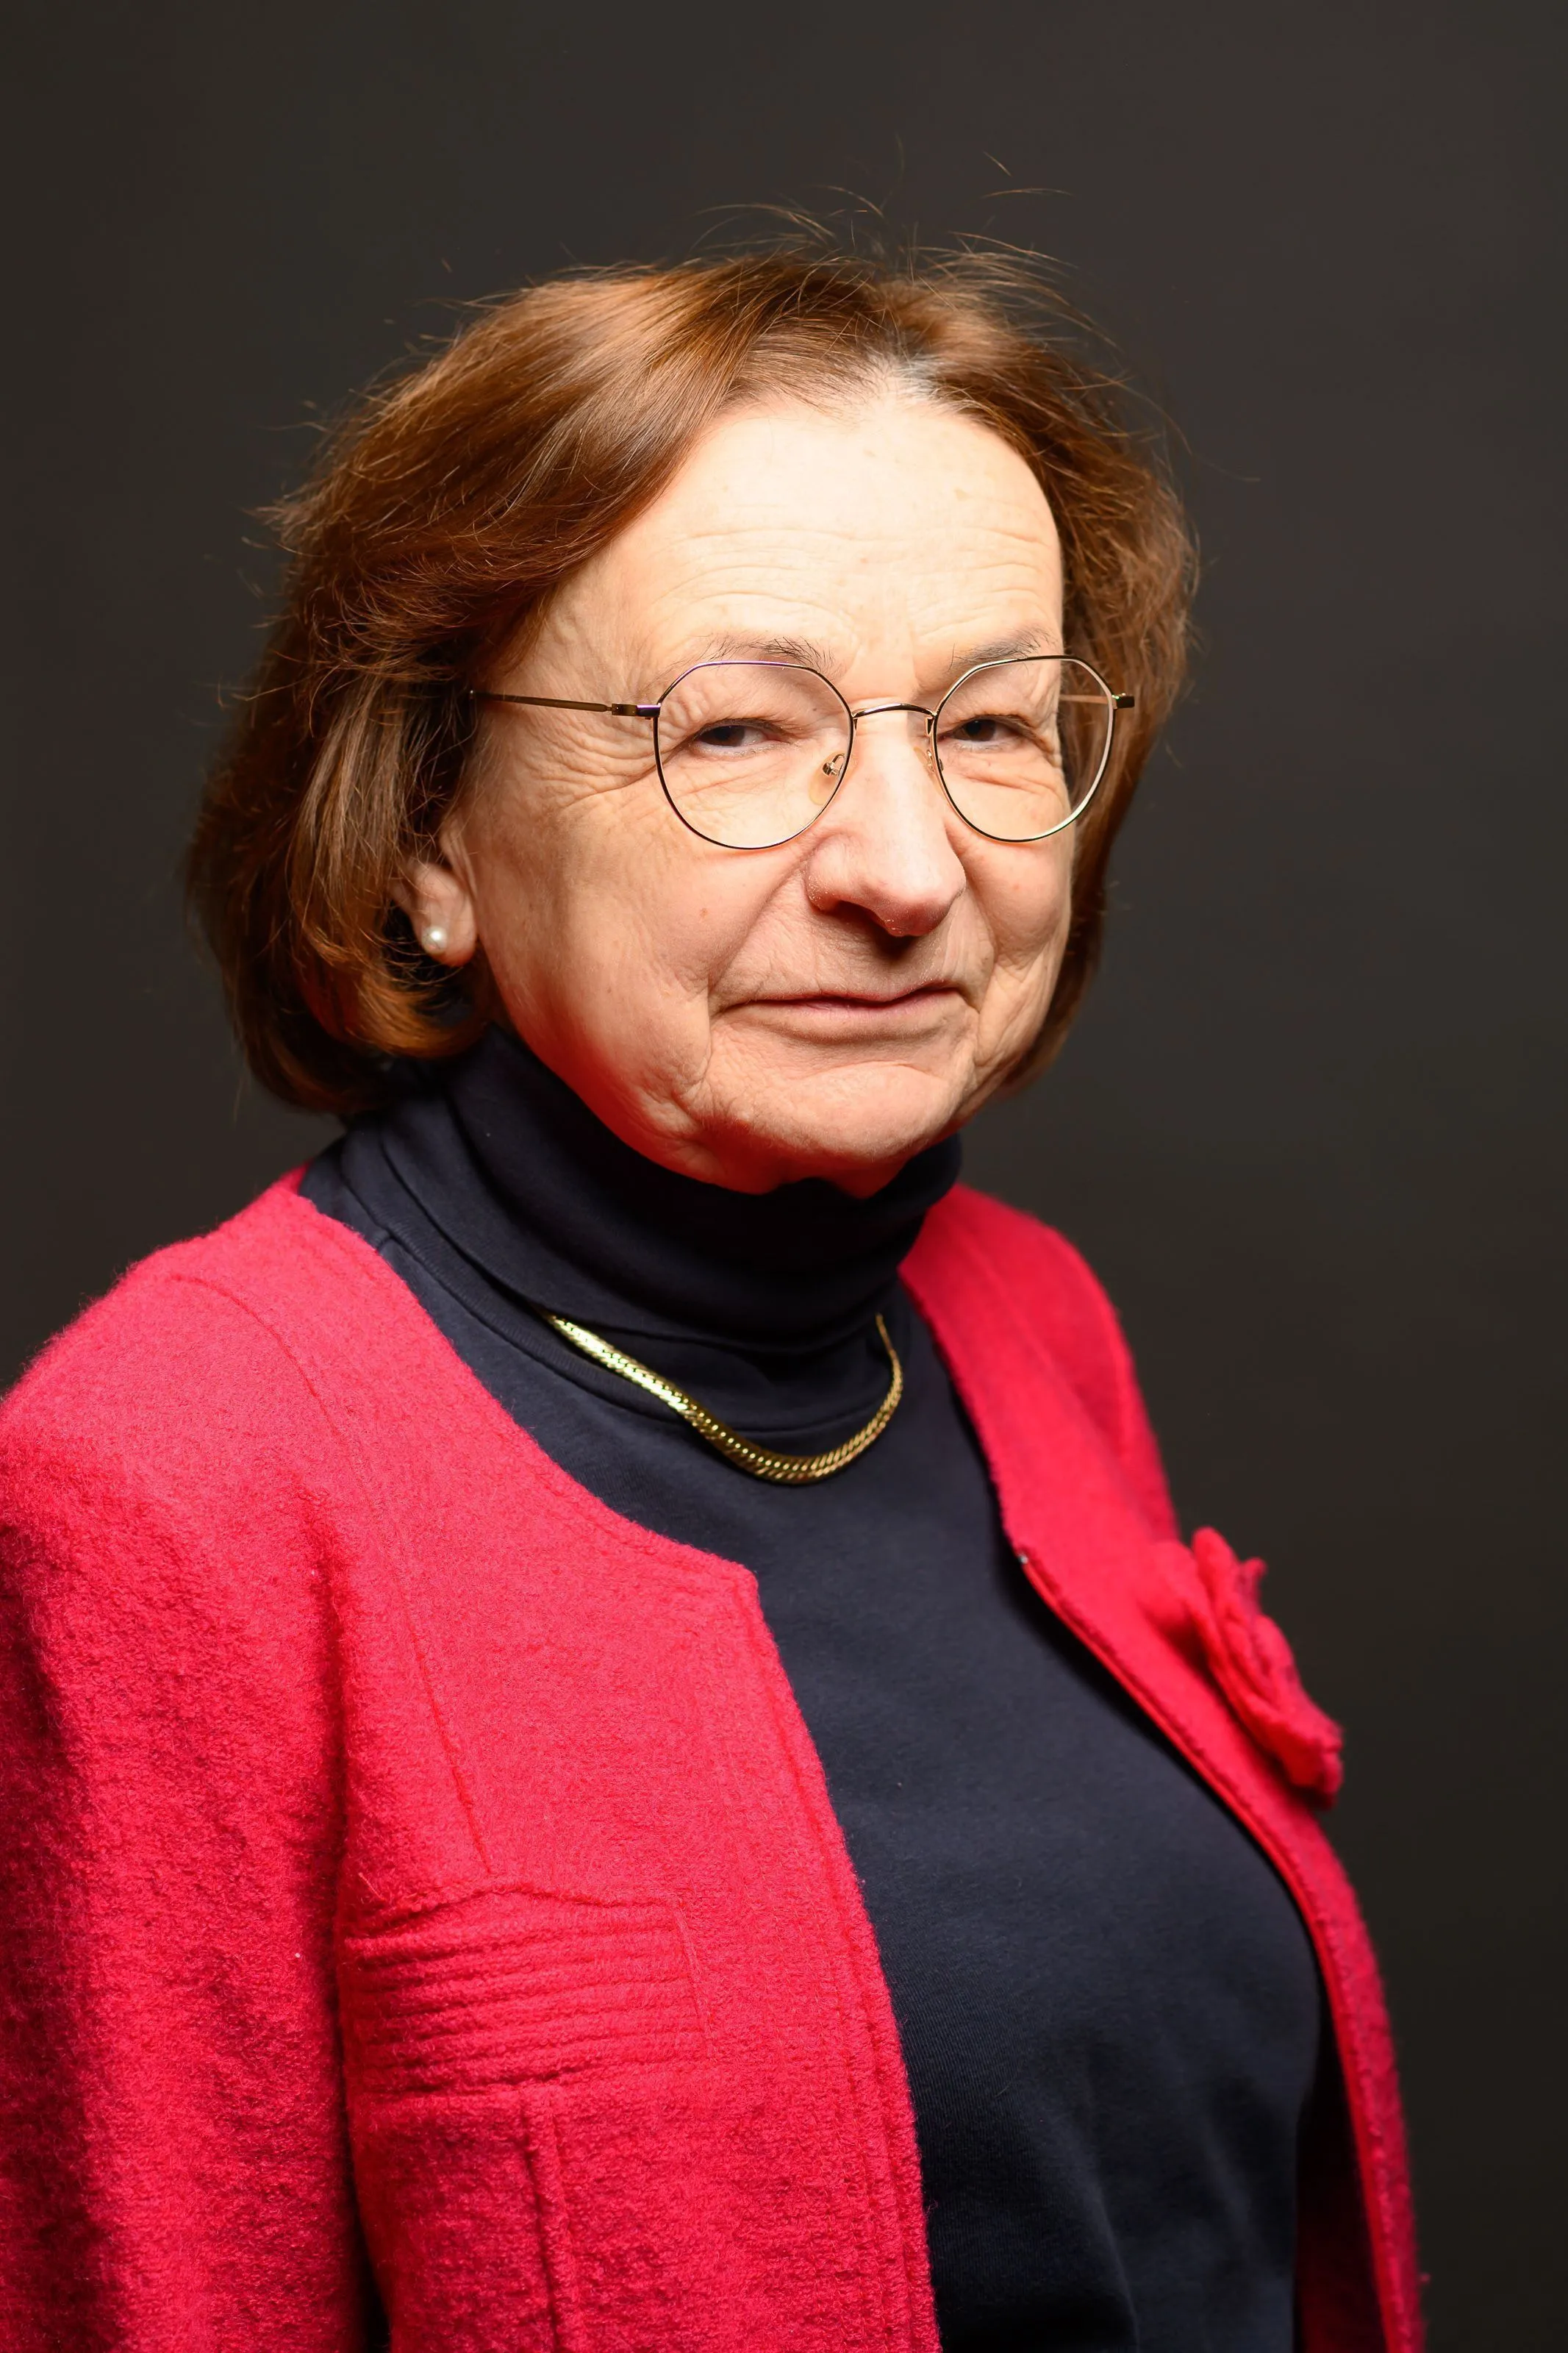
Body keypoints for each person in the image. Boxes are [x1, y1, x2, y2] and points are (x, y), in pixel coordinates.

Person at [0, 249, 1420, 2352]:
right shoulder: (171, 1487)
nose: (907, 868)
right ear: (427, 830)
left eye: (989, 725)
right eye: (738, 731)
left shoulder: (1025, 1324)